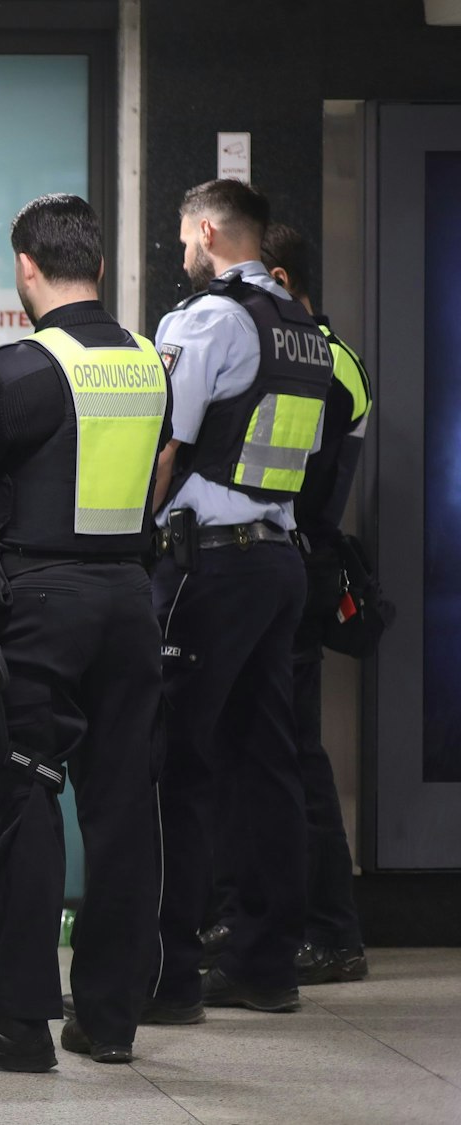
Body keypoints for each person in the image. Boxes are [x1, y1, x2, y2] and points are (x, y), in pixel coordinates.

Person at [0, 195, 168, 1072]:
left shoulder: (20, 370)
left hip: (41, 604)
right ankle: (110, 1016)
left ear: (26, 265)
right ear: (96, 262)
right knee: (124, 808)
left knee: (27, 802)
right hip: (131, 600)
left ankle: (18, 1021)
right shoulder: (148, 364)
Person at [147, 180, 335, 1020]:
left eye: (186, 234)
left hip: (209, 566)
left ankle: (168, 973)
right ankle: (266, 963)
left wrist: (125, 537)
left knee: (171, 761)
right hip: (278, 563)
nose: (181, 248)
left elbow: (166, 443)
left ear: (210, 231)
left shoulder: (208, 320)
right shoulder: (303, 328)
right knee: (267, 764)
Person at [202, 222, 374, 986]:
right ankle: (279, 922)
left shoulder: (310, 358)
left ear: (274, 277)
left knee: (289, 754)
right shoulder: (332, 356)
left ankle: (328, 929)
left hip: (284, 555)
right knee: (275, 750)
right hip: (294, 558)